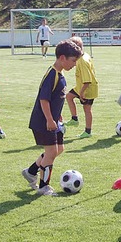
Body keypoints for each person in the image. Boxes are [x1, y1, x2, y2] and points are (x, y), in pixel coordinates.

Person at [22, 40, 82, 195]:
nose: (74, 64)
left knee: (58, 149)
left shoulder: (60, 74)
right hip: (44, 121)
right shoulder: (52, 74)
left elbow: (56, 97)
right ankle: (44, 186)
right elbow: (44, 99)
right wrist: (49, 118)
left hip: (54, 120)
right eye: (73, 61)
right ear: (62, 58)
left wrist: (57, 114)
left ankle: (31, 171)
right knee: (51, 153)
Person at [64, 36, 99, 138]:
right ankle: (74, 119)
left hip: (87, 89)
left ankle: (88, 132)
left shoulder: (82, 61)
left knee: (87, 109)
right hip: (80, 87)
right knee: (69, 96)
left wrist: (82, 93)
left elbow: (87, 80)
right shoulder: (80, 57)